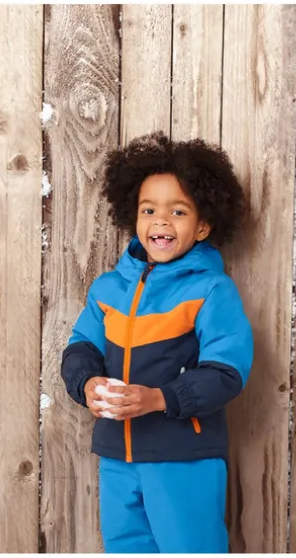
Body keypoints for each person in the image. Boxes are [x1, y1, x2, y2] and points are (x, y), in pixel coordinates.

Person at [60, 131, 253, 553]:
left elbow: (227, 372)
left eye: (178, 211)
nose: (161, 221)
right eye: (149, 210)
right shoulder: (108, 289)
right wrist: (87, 383)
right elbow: (80, 348)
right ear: (134, 217)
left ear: (203, 226)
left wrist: (158, 399)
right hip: (117, 458)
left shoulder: (211, 290)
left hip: (183, 459)